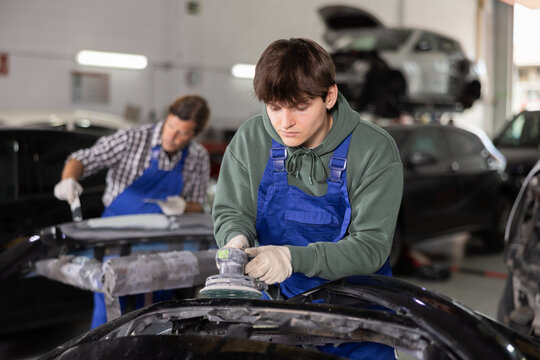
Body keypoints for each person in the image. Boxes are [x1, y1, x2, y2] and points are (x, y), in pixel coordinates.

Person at [212, 38, 403, 360]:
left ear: (329, 96)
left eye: (300, 108)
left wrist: (291, 258)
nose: (285, 122)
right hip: (280, 315)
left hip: (360, 318)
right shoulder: (251, 138)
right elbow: (232, 210)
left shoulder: (373, 149)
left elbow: (371, 246)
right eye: (274, 108)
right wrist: (235, 238)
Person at [54, 94, 211, 328]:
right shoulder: (132, 138)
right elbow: (82, 159)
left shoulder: (198, 157)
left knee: (157, 311)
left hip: (163, 243)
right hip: (116, 238)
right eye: (170, 127)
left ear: (194, 134)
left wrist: (182, 206)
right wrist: (69, 179)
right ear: (166, 118)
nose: (171, 136)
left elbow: (198, 204)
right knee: (111, 305)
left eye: (182, 133)